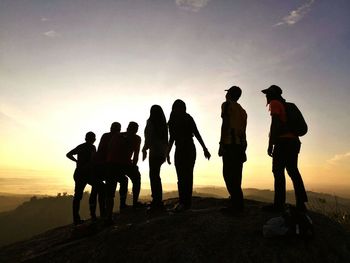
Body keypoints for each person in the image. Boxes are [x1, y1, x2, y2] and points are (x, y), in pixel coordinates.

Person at [261, 85, 308, 212]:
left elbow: (274, 124)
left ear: (274, 94)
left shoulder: (275, 103)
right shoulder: (287, 106)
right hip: (294, 142)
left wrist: (271, 144)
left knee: (278, 172)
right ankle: (301, 204)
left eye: (268, 93)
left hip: (283, 142)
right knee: (293, 171)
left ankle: (279, 204)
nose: (266, 95)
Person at [167, 99, 211, 211]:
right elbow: (172, 139)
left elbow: (196, 133)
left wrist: (205, 148)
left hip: (186, 149)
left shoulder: (182, 119)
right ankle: (184, 202)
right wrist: (167, 153)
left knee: (184, 176)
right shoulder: (182, 119)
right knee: (184, 176)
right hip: (186, 149)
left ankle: (184, 203)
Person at [219, 86, 247, 214]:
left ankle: (236, 207)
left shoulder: (226, 105)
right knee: (237, 175)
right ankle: (238, 204)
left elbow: (225, 124)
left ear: (230, 94)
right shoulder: (242, 111)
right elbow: (243, 130)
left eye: (228, 92)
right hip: (240, 145)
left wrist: (221, 144)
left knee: (228, 174)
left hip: (230, 143)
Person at [95, 122, 128, 222]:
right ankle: (120, 206)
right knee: (118, 184)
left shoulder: (107, 136)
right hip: (111, 166)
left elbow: (100, 150)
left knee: (107, 191)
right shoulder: (120, 137)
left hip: (106, 166)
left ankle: (106, 214)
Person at [108, 121, 143, 211]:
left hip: (113, 164)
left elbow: (110, 149)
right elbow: (136, 155)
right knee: (136, 179)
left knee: (123, 181)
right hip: (123, 164)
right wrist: (134, 166)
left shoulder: (117, 136)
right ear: (136, 130)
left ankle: (122, 204)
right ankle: (134, 203)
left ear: (127, 128)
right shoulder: (136, 138)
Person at [142, 105, 169, 212]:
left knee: (153, 176)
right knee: (156, 176)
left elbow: (149, 137)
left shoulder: (151, 122)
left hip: (154, 152)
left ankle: (156, 202)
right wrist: (166, 154)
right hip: (162, 153)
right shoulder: (163, 124)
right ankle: (158, 200)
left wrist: (144, 149)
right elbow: (166, 140)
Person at [66, 131, 97, 225]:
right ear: (93, 139)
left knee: (77, 196)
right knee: (97, 187)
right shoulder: (92, 147)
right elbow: (93, 159)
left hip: (78, 172)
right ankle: (93, 214)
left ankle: (76, 219)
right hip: (87, 173)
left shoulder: (81, 146)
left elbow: (68, 154)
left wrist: (76, 161)